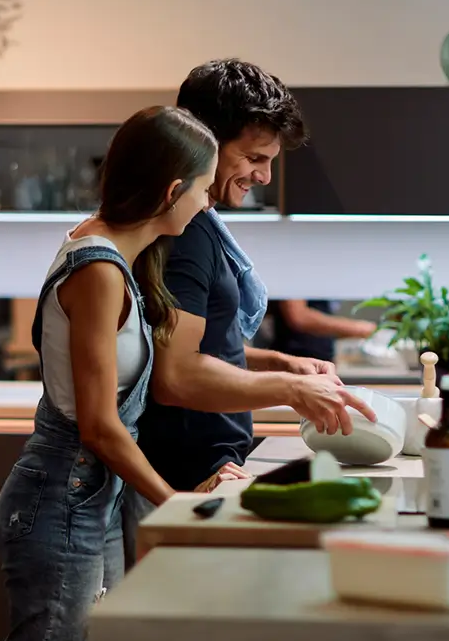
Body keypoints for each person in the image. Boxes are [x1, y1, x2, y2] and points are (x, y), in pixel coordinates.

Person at [0, 105, 218, 641]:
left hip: (90, 498)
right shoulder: (98, 270)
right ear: (172, 191)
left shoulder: (110, 252)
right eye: (203, 189)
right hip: (62, 500)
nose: (207, 204)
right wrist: (173, 503)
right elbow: (98, 425)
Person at [133, 59, 376, 502]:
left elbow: (201, 347)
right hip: (187, 479)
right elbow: (175, 373)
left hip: (209, 471)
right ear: (204, 140)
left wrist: (281, 364)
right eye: (253, 158)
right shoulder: (185, 235)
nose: (263, 176)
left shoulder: (197, 226)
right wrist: (291, 389)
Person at [268, 299, 376, 365]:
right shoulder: (296, 271)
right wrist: (357, 328)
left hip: (320, 361)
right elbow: (298, 316)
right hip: (297, 359)